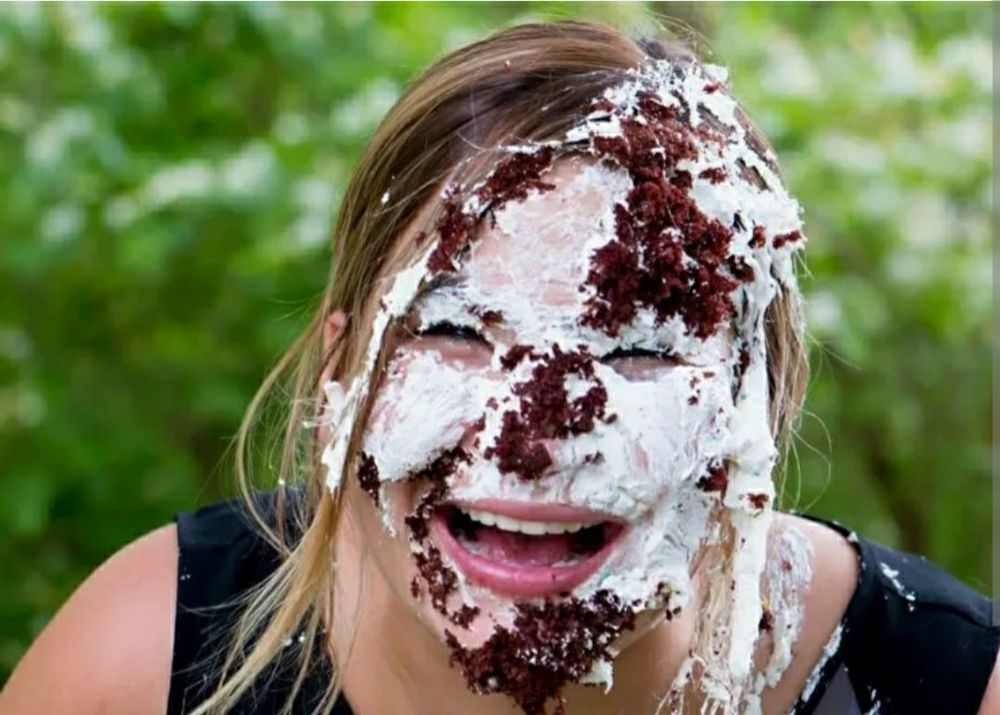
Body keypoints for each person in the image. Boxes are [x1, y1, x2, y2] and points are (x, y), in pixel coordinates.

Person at [2, 20, 997, 715]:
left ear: (757, 403)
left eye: (642, 349)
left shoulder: (947, 686)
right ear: (341, 377)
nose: (535, 437)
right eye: (453, 335)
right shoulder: (144, 662)